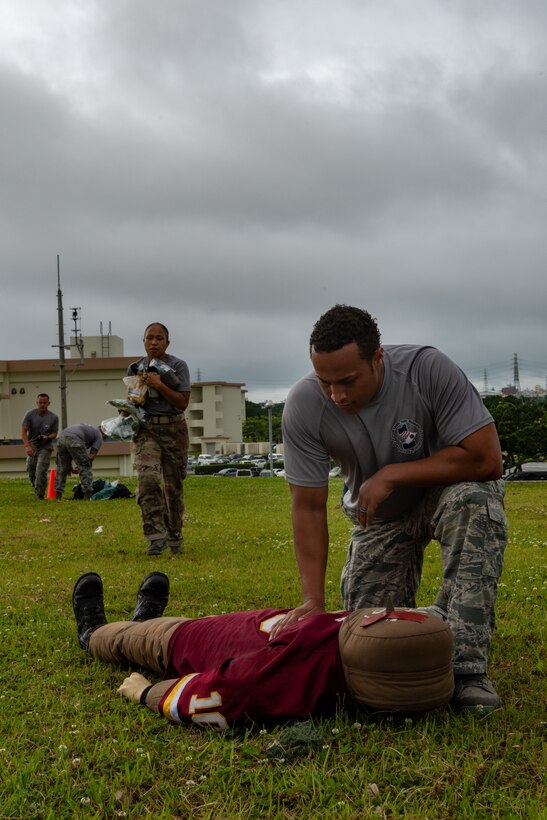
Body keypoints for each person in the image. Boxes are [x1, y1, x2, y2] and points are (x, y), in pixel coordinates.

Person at [277, 304, 509, 714]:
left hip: (443, 492)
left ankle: (467, 670)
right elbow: (308, 507)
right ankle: (437, 616)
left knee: (475, 499)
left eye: (348, 380)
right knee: (367, 644)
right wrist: (312, 599)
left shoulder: (426, 369)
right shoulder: (304, 405)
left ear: (378, 357)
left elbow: (487, 460)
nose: (337, 395)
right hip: (379, 518)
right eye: (325, 382)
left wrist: (392, 474)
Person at [72, 572, 454, 729]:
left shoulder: (304, 667)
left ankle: (92, 633)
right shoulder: (368, 660)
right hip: (240, 626)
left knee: (128, 641)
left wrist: (145, 692)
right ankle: (142, 620)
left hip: (190, 641)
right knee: (147, 630)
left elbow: (227, 694)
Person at [128, 323, 190, 556]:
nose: (154, 342)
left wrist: (160, 385)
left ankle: (174, 536)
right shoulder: (135, 367)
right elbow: (134, 399)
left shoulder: (178, 366)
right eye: (149, 338)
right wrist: (128, 405)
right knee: (148, 480)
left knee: (173, 487)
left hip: (174, 430)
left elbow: (182, 401)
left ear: (167, 342)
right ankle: (155, 537)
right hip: (146, 430)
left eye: (159, 338)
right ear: (143, 341)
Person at [21, 393, 59, 499]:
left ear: (48, 403)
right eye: (40, 402)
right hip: (32, 444)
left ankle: (40, 495)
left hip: (45, 446)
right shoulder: (30, 414)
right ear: (37, 403)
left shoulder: (53, 417)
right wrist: (27, 446)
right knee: (31, 469)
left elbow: (55, 433)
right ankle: (36, 487)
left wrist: (47, 437)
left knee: (41, 469)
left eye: (44, 403)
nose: (42, 405)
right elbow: (23, 431)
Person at [55, 423, 103, 500]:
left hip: (61, 438)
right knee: (86, 467)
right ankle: (87, 495)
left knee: (62, 467)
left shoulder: (89, 428)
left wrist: (69, 466)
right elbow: (91, 456)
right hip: (75, 440)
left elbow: (64, 458)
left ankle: (58, 496)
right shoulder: (99, 436)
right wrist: (82, 465)